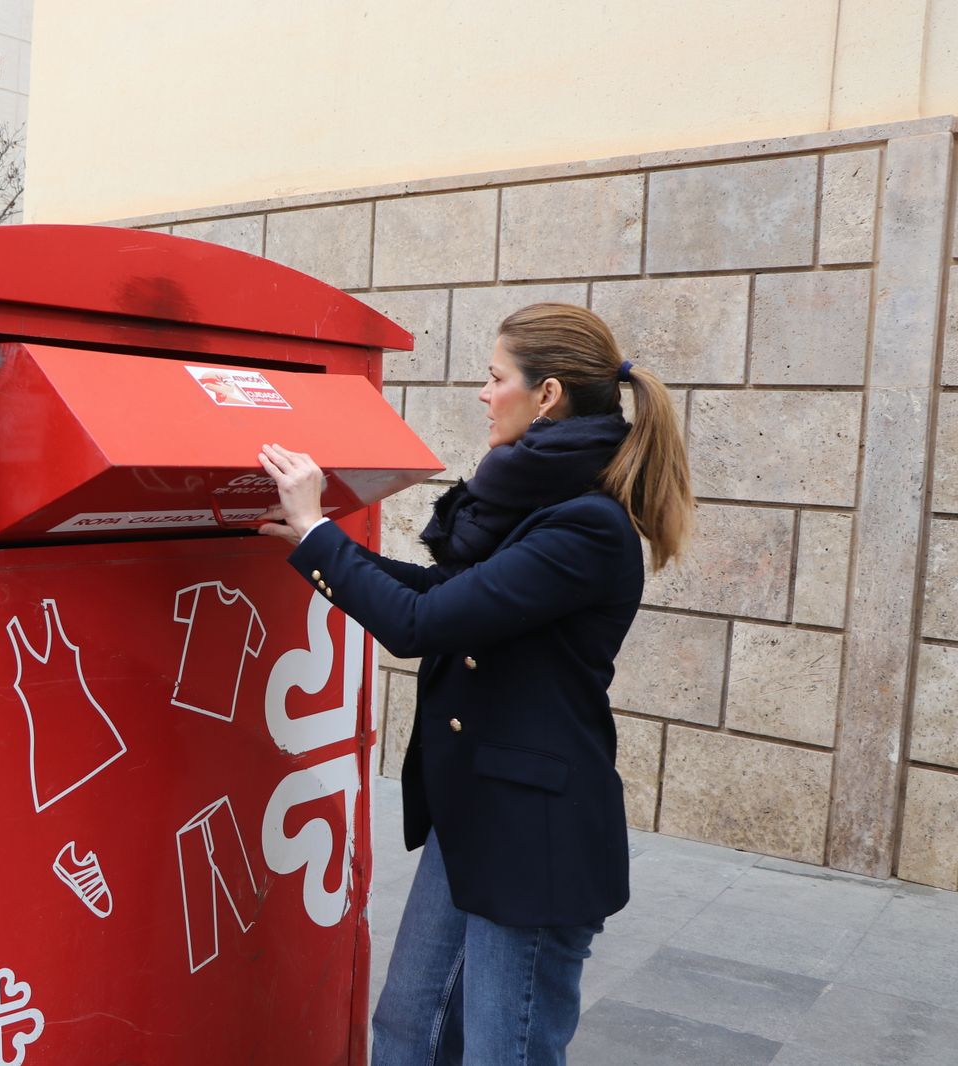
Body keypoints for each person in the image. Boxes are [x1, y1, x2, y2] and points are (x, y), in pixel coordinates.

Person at [256, 302, 693, 1065]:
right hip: (476, 816)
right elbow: (440, 597)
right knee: (405, 1030)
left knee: (502, 1051)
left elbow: (422, 625)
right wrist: (311, 538)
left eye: (496, 378)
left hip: (533, 841)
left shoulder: (586, 527)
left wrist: (325, 542)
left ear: (547, 394)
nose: (483, 395)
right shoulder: (538, 509)